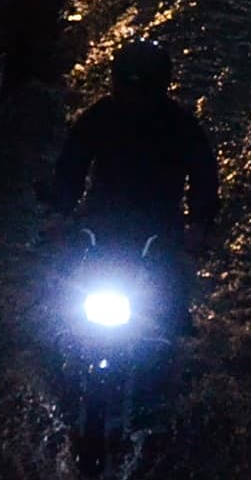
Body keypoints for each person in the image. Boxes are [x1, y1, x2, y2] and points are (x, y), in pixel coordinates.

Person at [48, 38, 220, 330]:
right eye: (125, 86)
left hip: (159, 222)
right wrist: (59, 211)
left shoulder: (180, 125)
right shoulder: (98, 117)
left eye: (140, 89)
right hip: (102, 216)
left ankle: (178, 338)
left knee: (172, 300)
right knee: (61, 282)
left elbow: (204, 173)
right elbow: (72, 164)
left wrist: (198, 223)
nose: (131, 96)